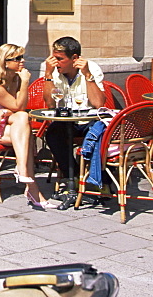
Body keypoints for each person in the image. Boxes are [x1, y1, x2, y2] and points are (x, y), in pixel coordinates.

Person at [0, 44, 55, 210]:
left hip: (2, 122)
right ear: (5, 62)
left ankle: (24, 175)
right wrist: (26, 82)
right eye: (18, 59)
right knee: (24, 131)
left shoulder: (12, 78)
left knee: (23, 122)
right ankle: (31, 185)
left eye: (22, 57)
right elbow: (18, 106)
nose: (22, 61)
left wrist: (4, 111)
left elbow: (16, 108)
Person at [42, 36, 106, 202]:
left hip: (88, 120)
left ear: (75, 59)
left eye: (60, 59)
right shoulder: (54, 72)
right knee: (53, 134)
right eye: (53, 58)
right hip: (66, 120)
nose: (55, 62)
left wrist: (87, 75)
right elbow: (50, 104)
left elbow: (98, 103)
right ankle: (75, 177)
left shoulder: (91, 69)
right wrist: (48, 74)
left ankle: (98, 180)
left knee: (96, 132)